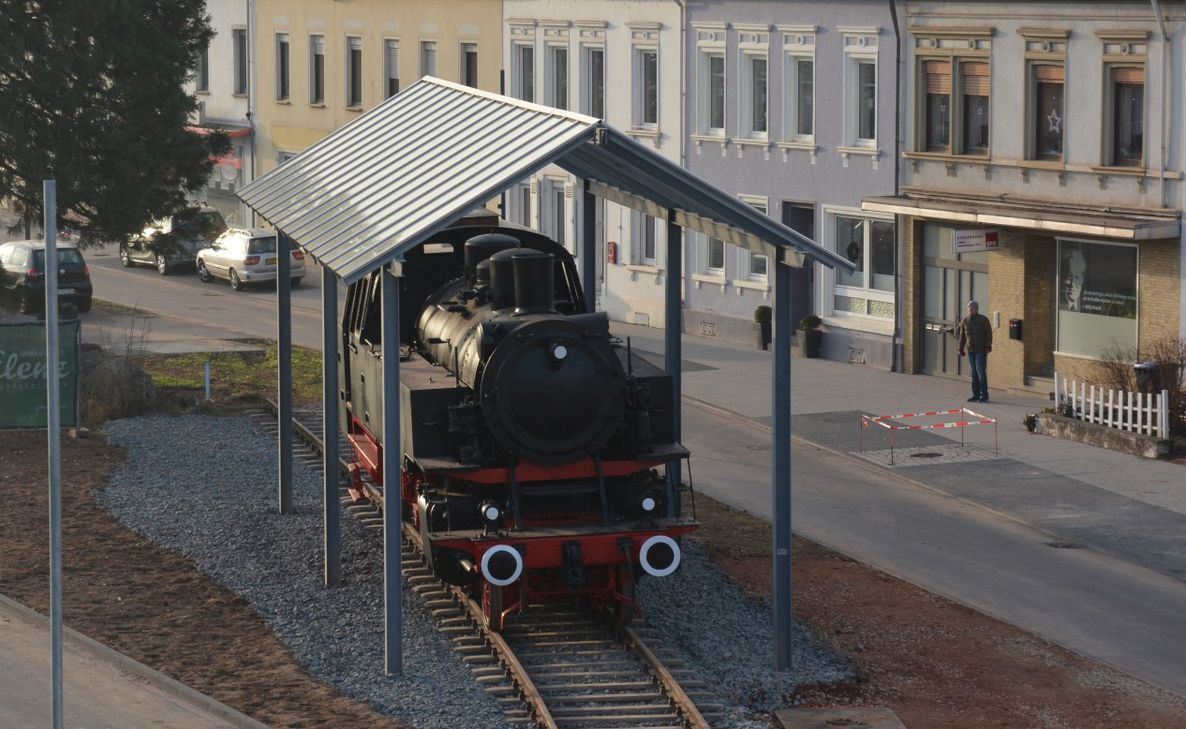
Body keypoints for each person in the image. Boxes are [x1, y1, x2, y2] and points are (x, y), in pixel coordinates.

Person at [957, 300, 992, 403]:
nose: (970, 310)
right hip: (971, 351)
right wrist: (960, 348)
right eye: (969, 308)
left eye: (971, 308)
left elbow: (989, 334)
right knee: (974, 373)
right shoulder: (965, 321)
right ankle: (975, 395)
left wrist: (988, 346)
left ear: (976, 309)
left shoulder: (983, 320)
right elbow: (962, 336)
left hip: (981, 350)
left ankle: (984, 395)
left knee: (981, 372)